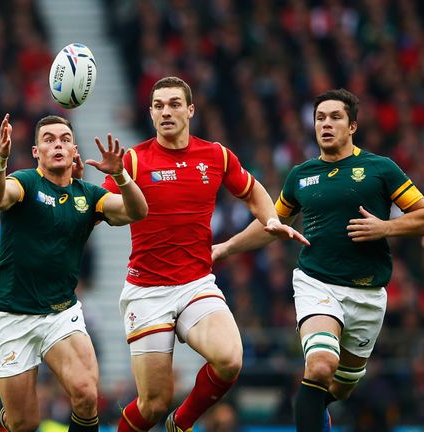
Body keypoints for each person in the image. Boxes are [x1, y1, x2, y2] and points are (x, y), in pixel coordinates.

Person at [212, 89, 424, 431]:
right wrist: (224, 248)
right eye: (320, 118)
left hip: (368, 294)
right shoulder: (301, 175)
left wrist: (384, 227)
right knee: (318, 366)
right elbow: (272, 223)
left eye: (335, 117)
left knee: (338, 388)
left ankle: (314, 409)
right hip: (317, 283)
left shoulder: (380, 169)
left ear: (352, 126)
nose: (326, 124)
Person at [99, 76, 307, 432]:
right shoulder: (132, 161)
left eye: (174, 104)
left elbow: (254, 191)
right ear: (150, 113)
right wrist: (118, 181)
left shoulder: (215, 155)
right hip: (147, 291)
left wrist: (270, 218)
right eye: (159, 106)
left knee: (229, 359)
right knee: (153, 404)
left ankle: (180, 424)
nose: (166, 112)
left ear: (190, 110)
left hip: (196, 283)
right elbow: (107, 209)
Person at [0, 114, 148, 432]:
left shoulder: (88, 195)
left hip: (60, 312)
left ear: (74, 150)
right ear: (35, 152)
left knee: (86, 394)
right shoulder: (25, 183)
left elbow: (137, 212)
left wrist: (122, 176)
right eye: (48, 139)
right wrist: (1, 157)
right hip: (12, 313)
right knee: (24, 424)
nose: (57, 144)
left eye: (64, 139)